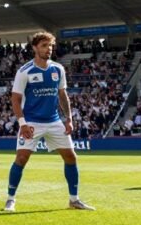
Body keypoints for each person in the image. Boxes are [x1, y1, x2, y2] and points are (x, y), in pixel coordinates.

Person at [5, 32, 95, 212]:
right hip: (31, 122)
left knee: (71, 157)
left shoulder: (58, 69)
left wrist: (68, 119)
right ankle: (10, 199)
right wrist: (22, 123)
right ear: (35, 48)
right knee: (21, 158)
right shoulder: (25, 71)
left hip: (54, 121)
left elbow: (63, 95)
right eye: (44, 46)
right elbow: (15, 99)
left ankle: (74, 199)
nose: (49, 49)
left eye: (51, 46)